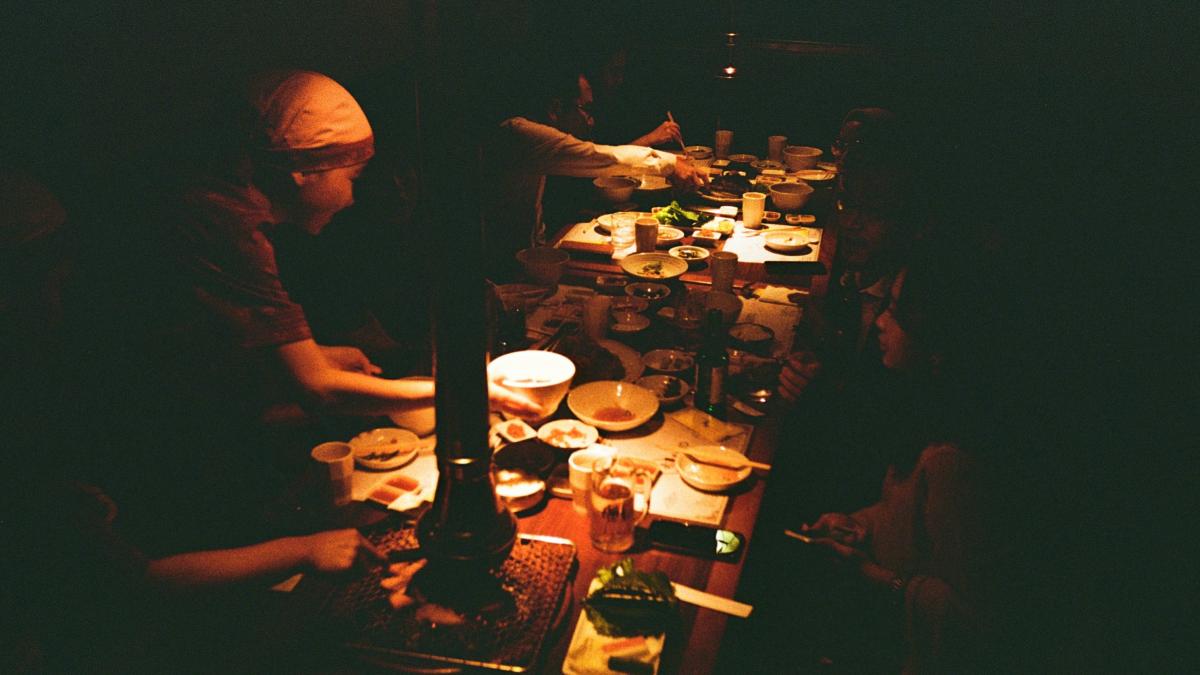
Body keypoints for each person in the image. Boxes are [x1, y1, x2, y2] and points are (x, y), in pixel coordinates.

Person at [731, 241, 1007, 673]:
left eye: (896, 312)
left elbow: (973, 622)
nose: (880, 321)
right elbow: (904, 512)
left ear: (939, 340)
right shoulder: (927, 403)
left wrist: (872, 575)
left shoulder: (953, 462)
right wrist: (859, 522)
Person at [481, 62, 705, 279]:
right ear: (555, 108)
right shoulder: (519, 134)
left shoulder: (533, 141)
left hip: (527, 260)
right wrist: (670, 165)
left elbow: (533, 220)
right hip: (499, 271)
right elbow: (597, 156)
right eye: (585, 109)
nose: (590, 120)